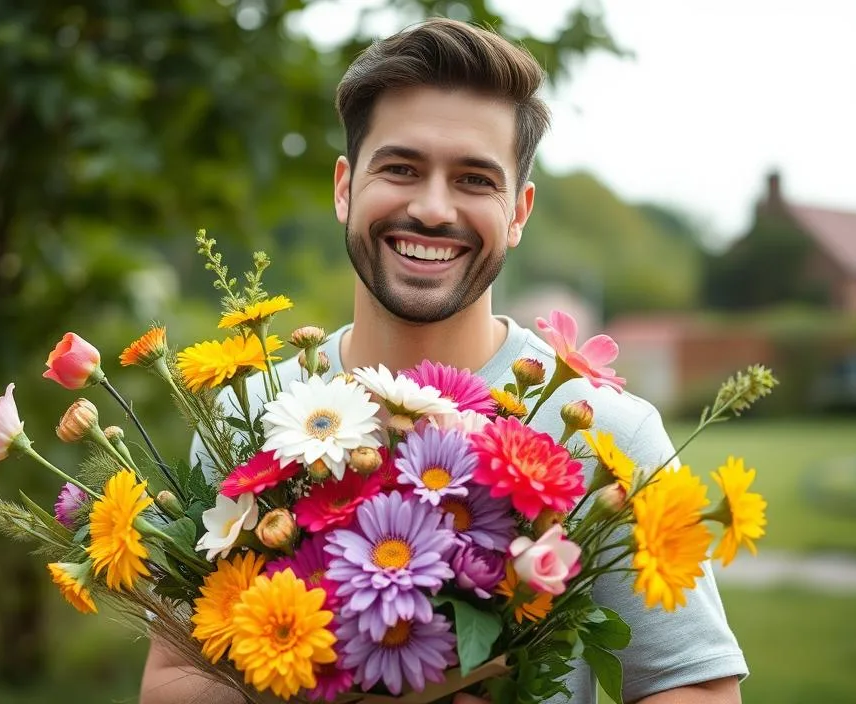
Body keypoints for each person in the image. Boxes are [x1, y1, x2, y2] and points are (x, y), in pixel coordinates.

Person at [141, 17, 747, 704]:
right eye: (400, 168)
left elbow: (695, 691)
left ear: (518, 212)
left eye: (473, 180)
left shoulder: (606, 437)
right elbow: (175, 676)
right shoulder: (248, 415)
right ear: (344, 188)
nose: (431, 209)